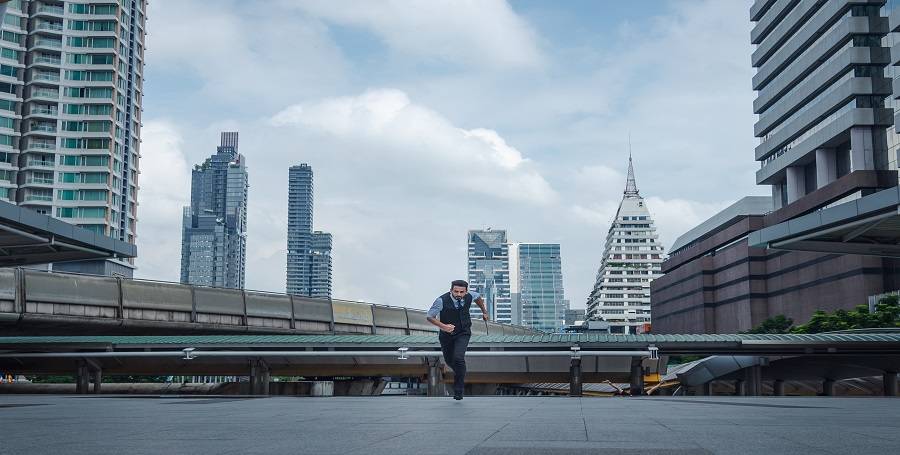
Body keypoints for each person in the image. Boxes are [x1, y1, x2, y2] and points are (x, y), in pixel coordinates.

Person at [426, 279, 489, 400]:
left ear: (466, 292)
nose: (459, 294)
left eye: (461, 292)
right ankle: (460, 372)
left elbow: (478, 298)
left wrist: (484, 312)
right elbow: (429, 316)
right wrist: (444, 327)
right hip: (446, 335)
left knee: (458, 358)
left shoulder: (470, 295)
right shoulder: (441, 300)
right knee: (449, 361)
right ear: (451, 290)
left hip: (463, 332)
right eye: (456, 291)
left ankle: (459, 390)